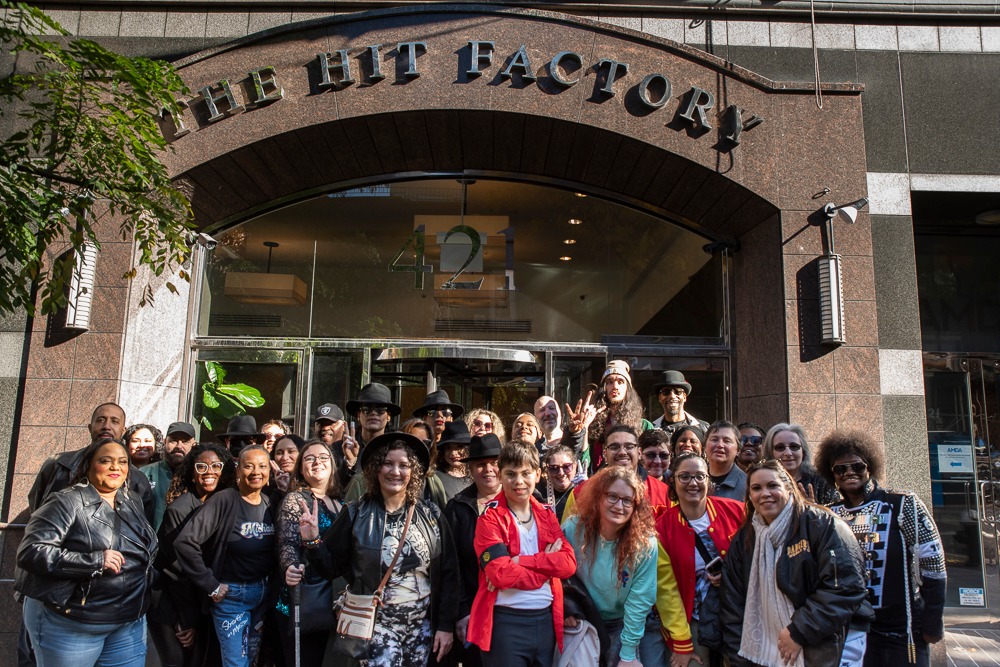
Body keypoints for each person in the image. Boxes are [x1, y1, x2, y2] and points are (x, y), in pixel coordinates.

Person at [300, 432, 458, 666]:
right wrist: (313, 542)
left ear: (413, 472)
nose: (395, 472)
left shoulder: (431, 514)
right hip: (376, 627)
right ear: (376, 469)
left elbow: (449, 574)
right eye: (388, 464)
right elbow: (331, 568)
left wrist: (445, 626)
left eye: (404, 465)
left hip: (423, 628)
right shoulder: (356, 513)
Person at [17, 438, 158, 667]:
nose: (116, 467)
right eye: (106, 461)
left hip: (127, 622)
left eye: (123, 462)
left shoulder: (132, 500)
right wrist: (93, 562)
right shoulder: (66, 501)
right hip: (70, 623)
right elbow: (31, 552)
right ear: (88, 465)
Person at [721, 460, 872, 667]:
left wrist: (798, 631)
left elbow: (845, 587)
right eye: (756, 488)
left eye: (772, 486)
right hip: (764, 651)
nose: (765, 493)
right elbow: (733, 604)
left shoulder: (823, 524)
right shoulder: (744, 539)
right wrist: (740, 658)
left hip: (825, 645)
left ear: (789, 488)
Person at [815, 430, 946, 667]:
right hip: (851, 630)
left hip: (902, 629)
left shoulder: (903, 503)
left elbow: (934, 565)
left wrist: (932, 623)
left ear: (869, 466)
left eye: (857, 466)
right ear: (831, 473)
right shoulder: (829, 514)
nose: (849, 473)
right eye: (840, 469)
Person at [468, 443, 577, 667]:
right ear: (500, 475)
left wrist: (524, 562)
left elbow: (568, 564)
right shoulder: (489, 518)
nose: (519, 481)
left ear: (537, 475)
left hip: (547, 621)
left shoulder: (547, 514)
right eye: (511, 474)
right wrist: (545, 572)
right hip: (506, 624)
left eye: (526, 473)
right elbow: (501, 574)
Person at [174, 446, 276, 667]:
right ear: (238, 470)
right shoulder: (225, 500)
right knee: (236, 663)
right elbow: (185, 542)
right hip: (232, 598)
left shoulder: (269, 503)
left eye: (262, 466)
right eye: (248, 466)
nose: (256, 471)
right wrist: (210, 584)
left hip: (261, 596)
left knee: (252, 660)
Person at [655, 452, 744, 666]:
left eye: (700, 476)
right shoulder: (661, 527)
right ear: (672, 481)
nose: (693, 483)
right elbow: (666, 590)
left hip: (737, 613)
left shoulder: (735, 511)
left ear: (708, 480)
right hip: (691, 618)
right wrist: (682, 641)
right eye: (684, 476)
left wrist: (732, 574)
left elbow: (756, 556)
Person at [564, 466, 658, 667]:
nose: (619, 506)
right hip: (583, 618)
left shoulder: (644, 544)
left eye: (627, 500)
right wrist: (566, 608)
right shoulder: (573, 528)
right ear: (598, 497)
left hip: (620, 624)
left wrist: (628, 654)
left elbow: (640, 601)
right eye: (612, 496)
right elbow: (556, 574)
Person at [152, 444, 236, 667]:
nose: (209, 471)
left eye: (216, 466)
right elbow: (175, 570)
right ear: (191, 472)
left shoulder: (227, 502)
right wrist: (187, 621)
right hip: (173, 603)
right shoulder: (179, 509)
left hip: (206, 601)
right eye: (201, 466)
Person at [275, 440, 343, 666]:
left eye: (323, 457)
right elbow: (287, 543)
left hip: (334, 601)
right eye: (309, 458)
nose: (317, 462)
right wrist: (290, 567)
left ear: (332, 465)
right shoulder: (296, 499)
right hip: (305, 602)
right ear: (301, 468)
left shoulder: (340, 503)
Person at [443, 433, 504, 667]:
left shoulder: (525, 501)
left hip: (514, 610)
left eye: (494, 462)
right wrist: (461, 611)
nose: (488, 469)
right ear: (470, 469)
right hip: (473, 612)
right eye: (480, 464)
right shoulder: (457, 508)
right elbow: (451, 565)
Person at [565, 424, 671, 519]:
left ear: (639, 452)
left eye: (629, 446)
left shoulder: (664, 493)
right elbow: (568, 536)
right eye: (615, 447)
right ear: (605, 454)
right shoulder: (580, 493)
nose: (622, 452)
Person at [587, 361, 652, 470]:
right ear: (605, 388)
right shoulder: (594, 424)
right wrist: (583, 428)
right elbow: (585, 462)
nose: (615, 386)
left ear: (627, 389)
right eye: (610, 382)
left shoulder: (644, 426)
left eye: (620, 382)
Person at [763, 423, 839, 504]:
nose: (788, 453)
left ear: (803, 451)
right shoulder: (761, 481)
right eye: (780, 447)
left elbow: (835, 514)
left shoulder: (821, 481)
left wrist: (814, 511)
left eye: (794, 446)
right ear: (770, 453)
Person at [144, 421, 197, 532]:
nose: (179, 446)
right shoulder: (145, 473)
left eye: (185, 441)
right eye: (173, 440)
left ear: (194, 445)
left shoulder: (199, 476)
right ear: (164, 442)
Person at [651, 371, 710, 438]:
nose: (672, 396)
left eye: (677, 392)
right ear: (660, 398)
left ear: (684, 397)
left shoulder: (703, 429)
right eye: (666, 392)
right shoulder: (651, 429)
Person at [705, 420, 747, 501]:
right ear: (705, 446)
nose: (720, 445)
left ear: (738, 450)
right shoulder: (694, 480)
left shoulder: (746, 485)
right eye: (714, 439)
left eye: (727, 441)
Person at [536, 445, 579, 522]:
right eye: (554, 468)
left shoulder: (583, 491)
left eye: (566, 467)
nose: (561, 473)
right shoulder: (538, 495)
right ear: (547, 470)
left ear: (575, 466)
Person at [433, 420, 472, 502]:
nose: (453, 453)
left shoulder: (476, 476)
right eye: (448, 448)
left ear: (468, 448)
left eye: (459, 446)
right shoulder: (435, 478)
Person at [270, 433, 303, 498]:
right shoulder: (267, 487)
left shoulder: (311, 484)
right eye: (279, 453)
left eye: (291, 451)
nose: (285, 458)